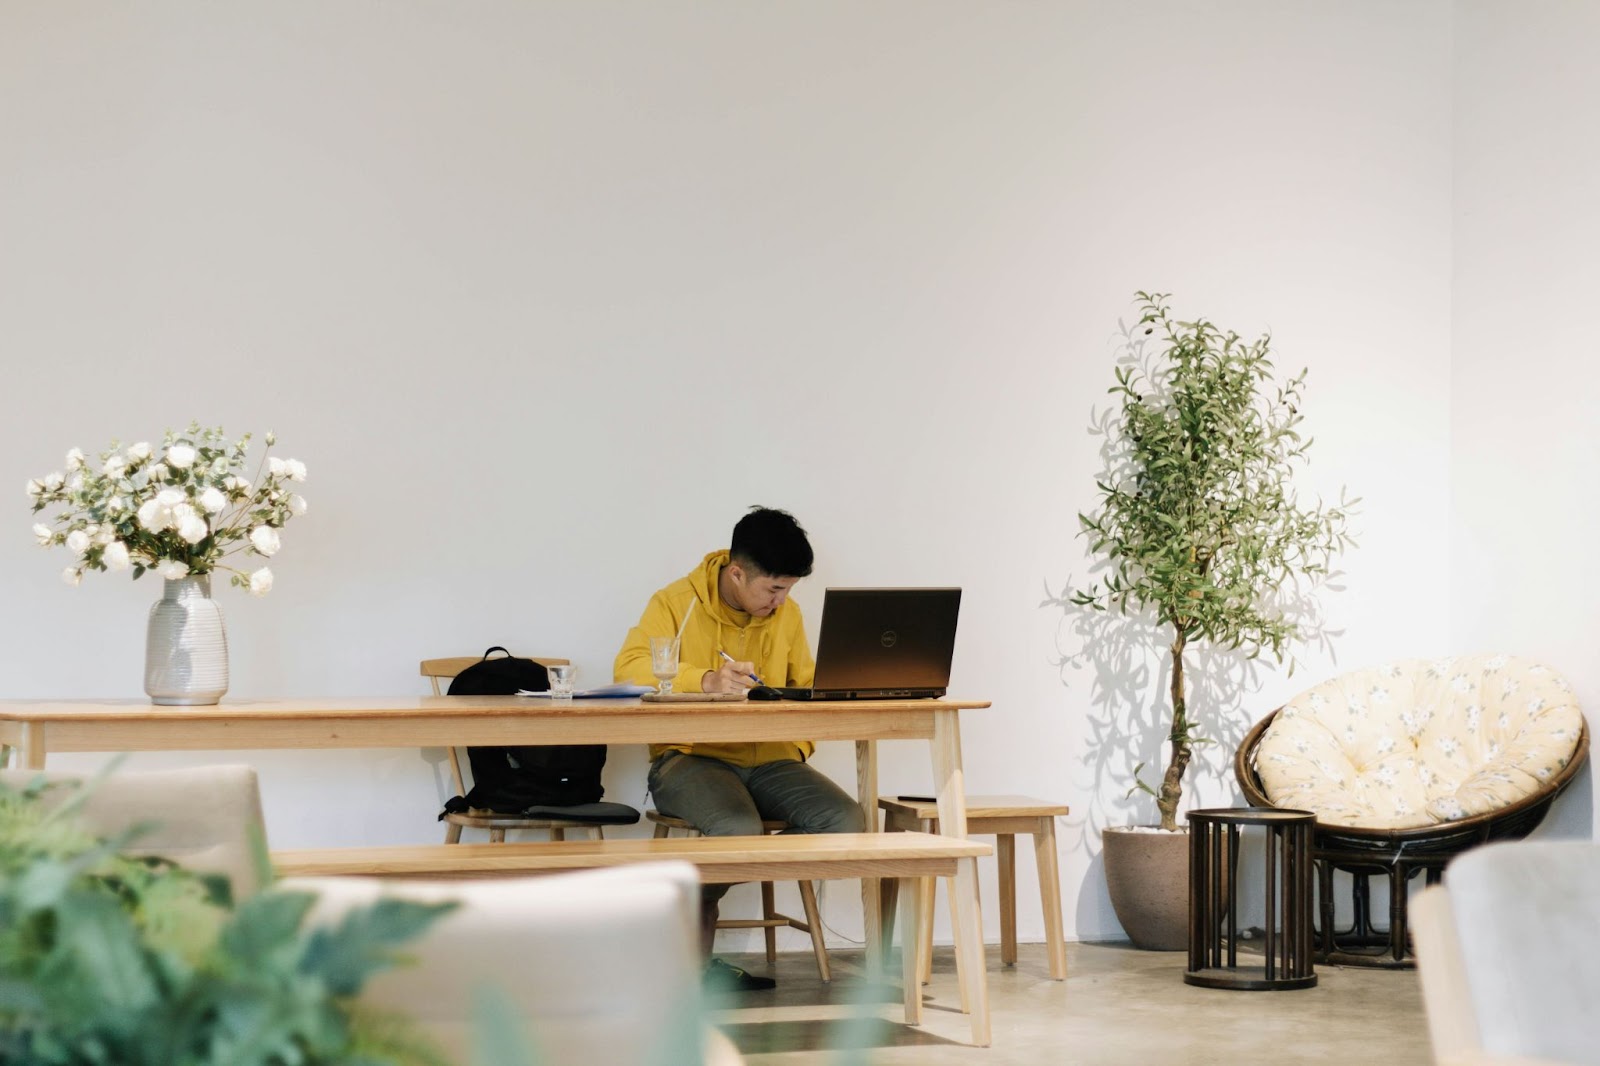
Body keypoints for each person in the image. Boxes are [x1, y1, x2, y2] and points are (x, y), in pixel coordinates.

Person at [614, 506, 865, 992]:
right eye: (773, 589)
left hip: (771, 759)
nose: (781, 601)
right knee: (734, 827)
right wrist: (704, 680)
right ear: (736, 573)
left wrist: (807, 732)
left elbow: (806, 683)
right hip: (689, 758)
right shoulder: (673, 602)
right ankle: (684, 940)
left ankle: (703, 891)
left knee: (845, 821)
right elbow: (628, 669)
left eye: (788, 590)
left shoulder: (786, 614)